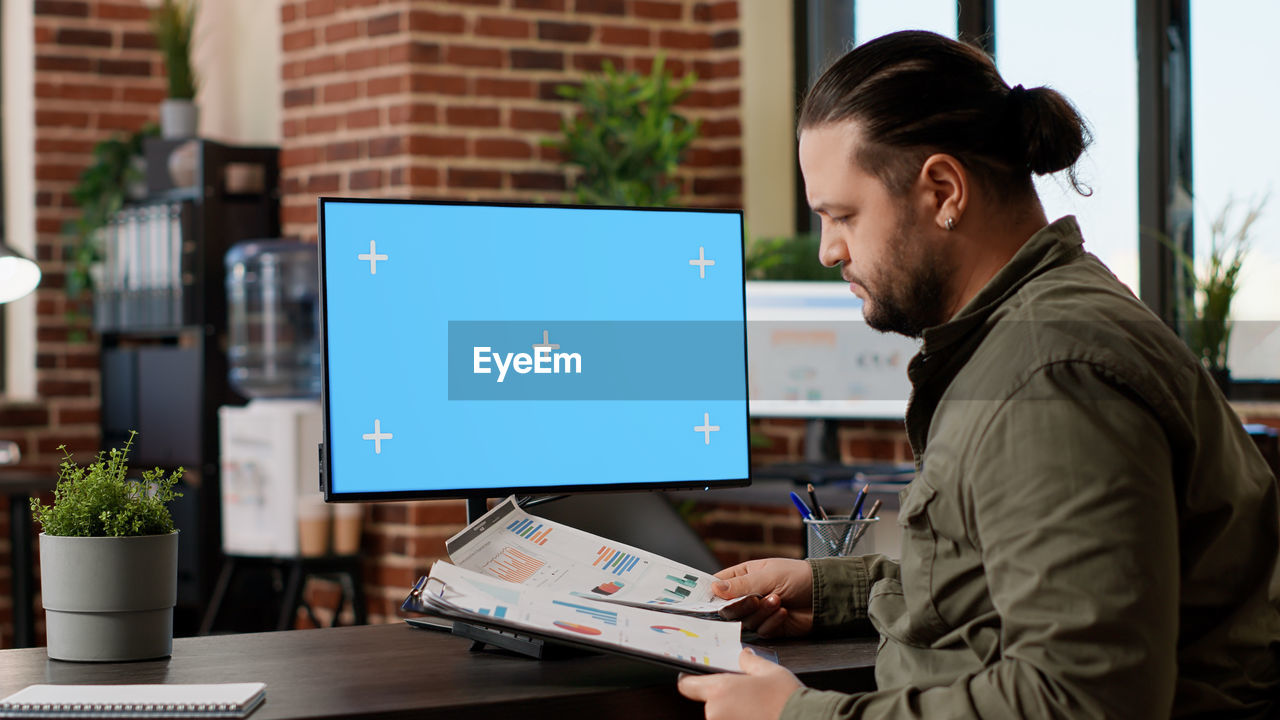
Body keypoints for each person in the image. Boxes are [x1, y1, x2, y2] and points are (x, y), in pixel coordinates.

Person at [677, 30, 1280, 720]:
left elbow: (1084, 699)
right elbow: (1001, 584)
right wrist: (830, 589)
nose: (827, 251)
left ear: (942, 190)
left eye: (842, 216)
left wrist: (793, 715)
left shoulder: (1049, 376)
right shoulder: (1029, 332)